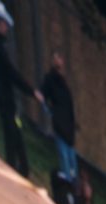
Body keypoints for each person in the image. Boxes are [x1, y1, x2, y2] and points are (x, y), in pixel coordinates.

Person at [0, 1, 35, 177]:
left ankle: (21, 168)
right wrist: (31, 91)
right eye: (4, 24)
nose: (6, 28)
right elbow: (11, 72)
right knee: (11, 133)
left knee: (15, 131)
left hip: (8, 96)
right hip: (5, 96)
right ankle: (15, 168)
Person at [35, 50, 78, 183]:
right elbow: (41, 95)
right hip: (60, 122)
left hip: (68, 125)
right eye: (55, 58)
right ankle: (67, 181)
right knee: (64, 154)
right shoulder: (50, 78)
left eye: (60, 58)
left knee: (71, 156)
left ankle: (73, 182)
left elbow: (68, 103)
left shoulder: (63, 82)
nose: (58, 60)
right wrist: (49, 111)